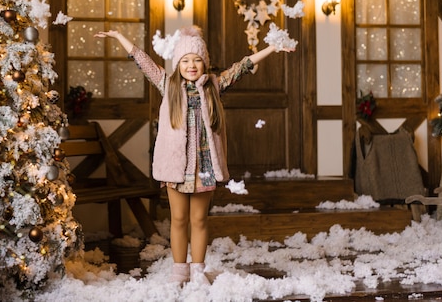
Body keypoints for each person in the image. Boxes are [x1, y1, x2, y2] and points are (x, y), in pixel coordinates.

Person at [94, 25, 294, 285]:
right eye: (186, 60)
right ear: (178, 64)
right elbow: (143, 61)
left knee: (199, 219)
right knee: (178, 219)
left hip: (204, 167)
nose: (191, 65)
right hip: (176, 167)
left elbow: (242, 66)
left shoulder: (214, 86)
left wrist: (271, 48)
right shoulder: (168, 85)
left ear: (205, 64)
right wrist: (120, 37)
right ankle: (179, 271)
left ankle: (198, 271)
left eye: (197, 60)